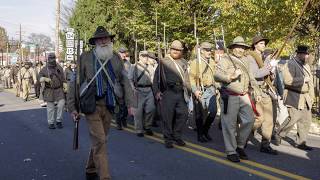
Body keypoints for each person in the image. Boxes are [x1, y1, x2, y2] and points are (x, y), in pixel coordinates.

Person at [67, 26, 134, 180]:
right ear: (95, 41)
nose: (104, 41)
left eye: (106, 38)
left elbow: (124, 80)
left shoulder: (116, 57)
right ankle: (105, 176)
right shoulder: (85, 57)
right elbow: (74, 83)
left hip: (110, 105)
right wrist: (72, 107)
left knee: (100, 140)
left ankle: (91, 168)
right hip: (91, 105)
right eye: (100, 38)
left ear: (110, 40)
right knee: (101, 140)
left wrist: (130, 104)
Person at [214, 36, 261, 162]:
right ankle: (231, 151)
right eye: (238, 47)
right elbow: (217, 75)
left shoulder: (246, 60)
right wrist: (231, 76)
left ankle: (240, 145)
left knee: (250, 120)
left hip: (244, 95)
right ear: (233, 48)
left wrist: (257, 90)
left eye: (242, 47)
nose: (240, 49)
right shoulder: (225, 59)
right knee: (229, 125)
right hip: (230, 95)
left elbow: (251, 77)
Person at [274, 45, 314, 151]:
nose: (307, 56)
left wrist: (312, 97)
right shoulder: (290, 64)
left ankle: (301, 142)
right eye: (306, 54)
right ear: (299, 54)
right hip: (294, 95)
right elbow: (287, 80)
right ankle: (279, 134)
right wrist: (302, 79)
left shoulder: (306, 65)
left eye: (307, 54)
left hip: (305, 96)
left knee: (306, 120)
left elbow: (310, 82)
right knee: (293, 118)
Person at [153, 40, 191, 149]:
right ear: (170, 49)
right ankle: (168, 138)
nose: (175, 51)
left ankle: (176, 135)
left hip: (181, 92)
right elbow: (155, 79)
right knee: (167, 117)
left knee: (183, 115)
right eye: (174, 49)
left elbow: (187, 79)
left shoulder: (184, 62)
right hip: (168, 92)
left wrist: (189, 92)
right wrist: (157, 92)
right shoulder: (163, 62)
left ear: (181, 51)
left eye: (178, 50)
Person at [246, 35, 278, 155]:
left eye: (264, 44)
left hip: (266, 91)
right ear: (255, 45)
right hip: (257, 91)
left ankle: (265, 144)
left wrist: (273, 71)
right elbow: (255, 74)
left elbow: (269, 76)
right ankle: (244, 136)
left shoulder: (265, 58)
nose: (263, 45)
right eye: (260, 43)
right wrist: (269, 68)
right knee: (259, 119)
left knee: (269, 120)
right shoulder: (250, 57)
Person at [189, 42, 217, 142]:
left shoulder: (212, 62)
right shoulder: (195, 62)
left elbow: (215, 76)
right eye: (206, 50)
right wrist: (195, 90)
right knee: (199, 114)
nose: (209, 52)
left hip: (210, 89)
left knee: (213, 112)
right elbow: (191, 78)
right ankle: (200, 134)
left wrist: (216, 87)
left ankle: (205, 130)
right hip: (199, 89)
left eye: (210, 50)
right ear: (201, 51)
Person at [128, 51, 156, 136]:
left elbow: (153, 79)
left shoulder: (150, 67)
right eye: (143, 56)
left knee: (151, 109)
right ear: (139, 57)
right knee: (138, 112)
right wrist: (133, 88)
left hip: (148, 89)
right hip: (138, 90)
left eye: (146, 56)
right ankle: (139, 130)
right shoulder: (134, 66)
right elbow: (129, 79)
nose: (145, 58)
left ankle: (147, 126)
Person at [39, 54, 67, 129]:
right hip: (49, 90)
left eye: (53, 58)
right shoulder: (44, 69)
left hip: (59, 89)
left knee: (61, 104)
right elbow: (39, 78)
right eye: (51, 58)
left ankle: (59, 121)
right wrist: (44, 78)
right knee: (50, 107)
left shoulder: (59, 67)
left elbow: (63, 78)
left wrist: (65, 84)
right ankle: (51, 122)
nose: (52, 60)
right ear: (48, 59)